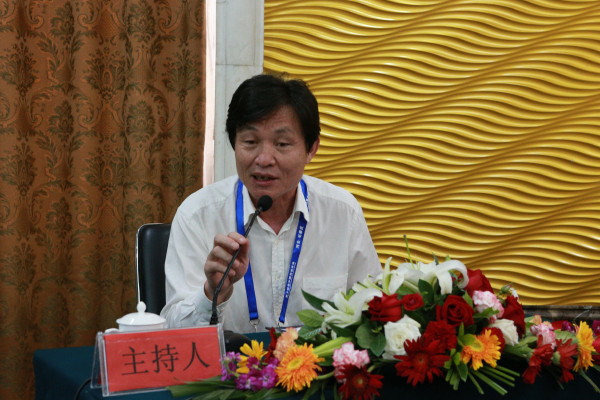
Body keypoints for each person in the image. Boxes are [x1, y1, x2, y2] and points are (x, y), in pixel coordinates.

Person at [161, 73, 381, 333]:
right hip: (230, 360)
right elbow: (174, 331)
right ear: (234, 143)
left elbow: (374, 311)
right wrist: (212, 293)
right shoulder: (197, 215)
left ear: (311, 149)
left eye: (282, 144)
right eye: (250, 142)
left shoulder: (342, 212)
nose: (264, 159)